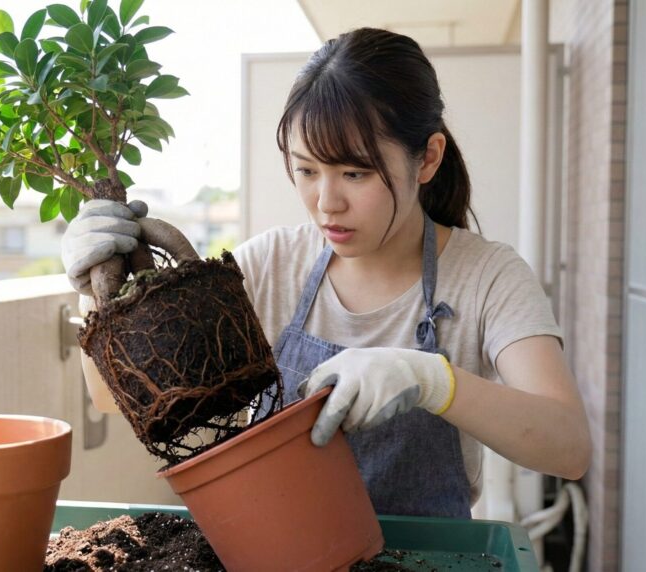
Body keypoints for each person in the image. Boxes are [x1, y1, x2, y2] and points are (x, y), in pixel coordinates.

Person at [61, 27, 592, 519]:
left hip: (428, 553)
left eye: (355, 173)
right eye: (306, 170)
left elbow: (568, 448)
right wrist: (95, 294)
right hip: (276, 547)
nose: (326, 203)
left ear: (427, 159)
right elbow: (116, 398)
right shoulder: (271, 265)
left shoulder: (487, 276)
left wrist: (433, 381)